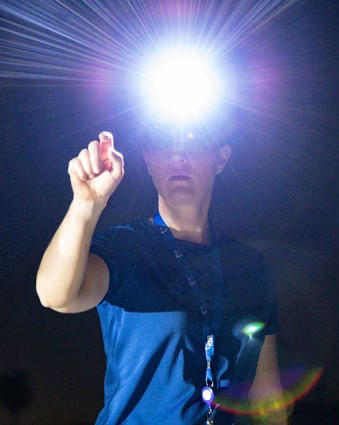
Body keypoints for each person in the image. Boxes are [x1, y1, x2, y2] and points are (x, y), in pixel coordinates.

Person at [36, 130, 287, 424]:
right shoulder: (125, 249)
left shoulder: (251, 267)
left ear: (221, 157)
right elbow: (55, 295)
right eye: (164, 143)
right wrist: (86, 204)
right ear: (147, 159)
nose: (178, 156)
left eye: (195, 141)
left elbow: (268, 398)